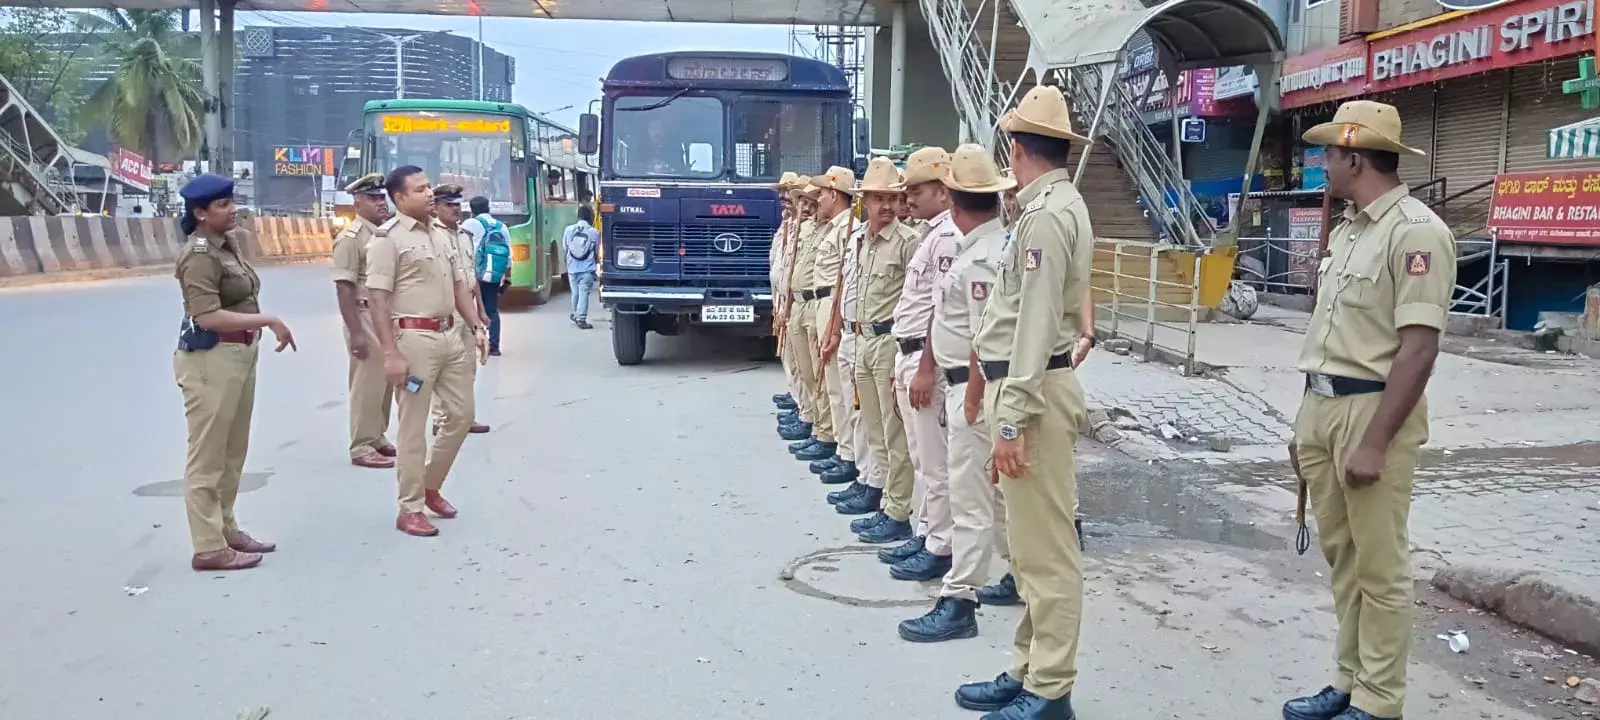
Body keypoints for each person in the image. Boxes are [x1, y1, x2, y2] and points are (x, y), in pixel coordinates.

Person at [1281, 100, 1455, 720]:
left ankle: (1379, 701)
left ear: (1355, 157)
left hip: (1372, 412)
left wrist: (1376, 442)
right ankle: (1349, 680)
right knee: (1345, 560)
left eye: (1329, 153)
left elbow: (1419, 347)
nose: (1323, 163)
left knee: (1380, 568)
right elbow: (1330, 336)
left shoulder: (1416, 232)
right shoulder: (1351, 229)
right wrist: (1305, 422)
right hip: (1324, 408)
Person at [956, 85, 1094, 720]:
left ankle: (1050, 690)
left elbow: (1035, 326)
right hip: (1025, 389)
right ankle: (1029, 669)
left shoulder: (1045, 217)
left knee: (1046, 553)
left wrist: (1010, 419)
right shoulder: (1053, 206)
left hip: (1030, 394)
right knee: (1030, 548)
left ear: (1015, 148)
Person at [898, 143, 1015, 642]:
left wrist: (968, 400)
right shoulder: (980, 248)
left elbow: (985, 338)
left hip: (972, 389)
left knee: (970, 502)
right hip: (966, 386)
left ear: (953, 197)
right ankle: (1018, 574)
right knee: (995, 498)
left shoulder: (981, 259)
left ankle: (960, 598)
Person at [171, 172, 296, 571]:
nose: (232, 210)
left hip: (240, 353)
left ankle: (225, 527)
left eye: (232, 202)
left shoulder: (228, 244)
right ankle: (208, 546)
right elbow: (206, 315)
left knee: (232, 450)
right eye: (223, 205)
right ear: (200, 212)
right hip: (212, 359)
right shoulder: (199, 255)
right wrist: (268, 320)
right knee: (208, 455)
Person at [366, 166, 490, 538]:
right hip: (413, 341)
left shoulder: (442, 233)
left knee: (461, 415)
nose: (429, 193)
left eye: (428, 187)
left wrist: (476, 326)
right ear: (399, 198)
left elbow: (459, 287)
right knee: (413, 428)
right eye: (420, 189)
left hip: (451, 336)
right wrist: (390, 354)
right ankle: (410, 507)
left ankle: (430, 484)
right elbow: (377, 299)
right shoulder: (387, 239)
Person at [880, 146, 960, 582]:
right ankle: (927, 530)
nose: (907, 199)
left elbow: (940, 311)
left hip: (924, 358)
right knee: (921, 456)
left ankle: (941, 545)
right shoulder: (931, 233)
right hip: (908, 353)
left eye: (916, 191)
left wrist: (927, 368)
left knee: (935, 462)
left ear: (943, 191)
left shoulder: (947, 237)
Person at [836, 158, 921, 545]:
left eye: (892, 198)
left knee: (894, 431)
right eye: (877, 198)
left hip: (889, 342)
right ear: (864, 202)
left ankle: (899, 510)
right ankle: (886, 501)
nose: (886, 205)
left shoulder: (908, 242)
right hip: (861, 340)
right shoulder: (860, 241)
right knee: (873, 428)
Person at [331, 172, 397, 469]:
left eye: (382, 197)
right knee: (366, 383)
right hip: (364, 314)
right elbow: (344, 287)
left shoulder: (383, 234)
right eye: (373, 198)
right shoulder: (351, 238)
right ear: (358, 203)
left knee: (384, 380)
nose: (381, 203)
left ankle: (377, 435)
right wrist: (355, 332)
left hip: (383, 314)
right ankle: (361, 445)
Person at [806, 166, 863, 474]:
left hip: (833, 302)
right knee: (830, 382)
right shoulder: (834, 226)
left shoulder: (848, 227)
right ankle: (841, 445)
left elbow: (846, 278)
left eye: (823, 195)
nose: (818, 200)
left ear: (834, 194)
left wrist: (835, 324)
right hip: (823, 301)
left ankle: (847, 453)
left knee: (840, 387)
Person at [784, 178, 840, 464]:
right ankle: (816, 424)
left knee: (820, 375)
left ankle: (825, 433)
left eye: (816, 199)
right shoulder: (810, 228)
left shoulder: (835, 229)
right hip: (800, 303)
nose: (809, 206)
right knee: (808, 373)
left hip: (818, 302)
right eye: (804, 201)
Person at [430, 184, 491, 436]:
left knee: (468, 367)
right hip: (445, 309)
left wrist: (481, 310)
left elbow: (471, 277)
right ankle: (441, 418)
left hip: (467, 311)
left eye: (457, 205)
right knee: (445, 368)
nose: (455, 209)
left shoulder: (465, 235)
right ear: (435, 207)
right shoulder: (432, 235)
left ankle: (465, 417)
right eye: (449, 205)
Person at [461, 196, 509, 356]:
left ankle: (468, 343)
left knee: (466, 307)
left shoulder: (469, 224)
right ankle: (494, 346)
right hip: (492, 274)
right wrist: (507, 277)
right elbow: (509, 255)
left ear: (472, 210)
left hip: (472, 273)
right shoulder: (501, 227)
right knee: (492, 310)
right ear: (488, 207)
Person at [563, 205, 600, 329]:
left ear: (578, 216)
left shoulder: (568, 230)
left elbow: (565, 247)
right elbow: (597, 251)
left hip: (572, 267)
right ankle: (581, 318)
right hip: (587, 268)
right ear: (590, 217)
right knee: (583, 292)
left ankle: (575, 314)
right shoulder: (594, 232)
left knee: (575, 293)